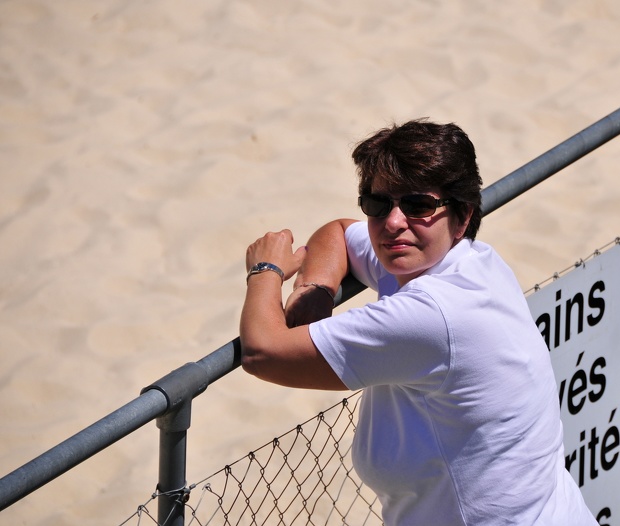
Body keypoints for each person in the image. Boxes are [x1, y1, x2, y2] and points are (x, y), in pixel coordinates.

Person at [240, 119, 597, 525]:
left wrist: (266, 269)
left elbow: (262, 352)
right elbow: (337, 232)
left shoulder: (432, 315)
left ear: (462, 216)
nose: (393, 222)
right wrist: (317, 289)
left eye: (418, 206)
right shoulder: (468, 263)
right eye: (377, 204)